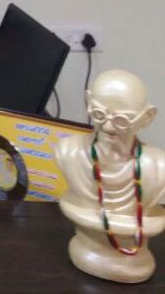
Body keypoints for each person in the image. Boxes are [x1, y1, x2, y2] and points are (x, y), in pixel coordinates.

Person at [56, 70, 165, 283]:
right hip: (86, 248)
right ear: (88, 102)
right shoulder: (68, 152)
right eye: (98, 114)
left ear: (147, 117)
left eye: (122, 120)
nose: (107, 126)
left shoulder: (159, 167)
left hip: (137, 260)